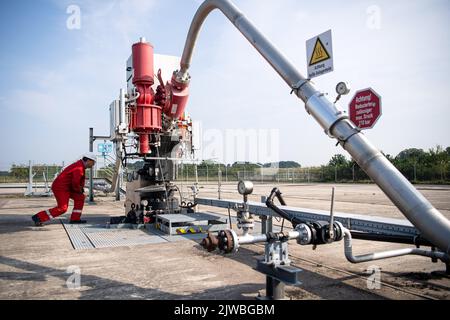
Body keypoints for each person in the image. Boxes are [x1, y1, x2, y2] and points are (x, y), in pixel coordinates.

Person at [32, 152, 96, 226]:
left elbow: (76, 183)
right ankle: (39, 217)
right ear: (88, 160)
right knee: (62, 208)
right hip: (61, 188)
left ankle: (75, 219)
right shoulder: (79, 168)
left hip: (67, 187)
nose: (93, 165)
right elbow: (75, 183)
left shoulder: (79, 165)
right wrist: (79, 190)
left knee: (80, 197)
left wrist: (80, 192)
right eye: (93, 162)